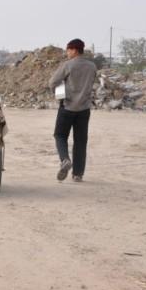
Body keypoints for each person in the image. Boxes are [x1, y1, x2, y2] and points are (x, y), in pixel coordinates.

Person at [49, 38, 97, 182]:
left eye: (68, 50)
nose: (67, 52)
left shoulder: (68, 65)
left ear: (75, 50)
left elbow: (52, 82)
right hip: (84, 109)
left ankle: (65, 159)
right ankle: (78, 174)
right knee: (81, 141)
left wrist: (58, 94)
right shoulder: (92, 66)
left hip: (67, 107)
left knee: (60, 135)